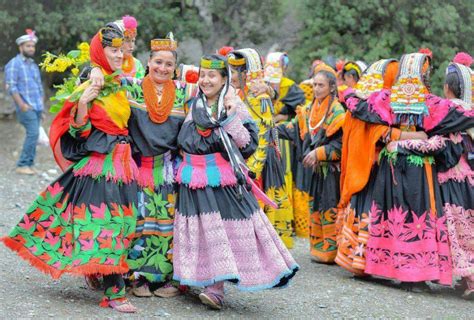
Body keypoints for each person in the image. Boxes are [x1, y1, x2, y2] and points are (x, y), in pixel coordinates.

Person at [2, 25, 139, 313]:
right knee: (107, 224)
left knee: (122, 224)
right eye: (111, 50)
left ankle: (95, 271)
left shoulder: (122, 84)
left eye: (120, 49)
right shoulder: (89, 86)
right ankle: (115, 291)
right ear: (100, 52)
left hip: (124, 164)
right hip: (99, 166)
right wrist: (84, 102)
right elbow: (78, 132)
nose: (118, 54)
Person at [173, 54, 298, 310]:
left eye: (212, 76)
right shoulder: (192, 104)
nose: (206, 81)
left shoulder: (234, 105)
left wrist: (230, 117)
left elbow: (248, 144)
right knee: (200, 230)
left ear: (223, 80)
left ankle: (216, 288)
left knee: (224, 230)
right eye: (203, 75)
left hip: (222, 179)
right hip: (192, 177)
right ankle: (196, 278)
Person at [342, 52, 473, 289]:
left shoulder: (385, 99)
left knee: (394, 216)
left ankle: (397, 270)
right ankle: (417, 276)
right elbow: (465, 116)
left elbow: (356, 105)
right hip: (420, 170)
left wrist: (351, 93)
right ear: (422, 74)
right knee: (418, 217)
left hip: (390, 166)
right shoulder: (432, 103)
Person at [124, 33, 197, 298]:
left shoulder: (184, 91)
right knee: (140, 222)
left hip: (168, 169)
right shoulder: (130, 86)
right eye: (158, 62)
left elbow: (217, 86)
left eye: (168, 64)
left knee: (166, 223)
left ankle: (165, 277)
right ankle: (137, 277)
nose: (162, 68)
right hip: (138, 166)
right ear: (149, 62)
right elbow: (103, 74)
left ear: (175, 68)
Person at [227, 48, 294, 248]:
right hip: (245, 157)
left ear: (246, 73)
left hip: (259, 159)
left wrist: (253, 166)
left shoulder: (260, 97)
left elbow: (263, 133)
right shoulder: (242, 93)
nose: (231, 76)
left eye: (234, 71)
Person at [436, 52, 473, 299]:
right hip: (468, 176)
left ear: (449, 87)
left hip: (452, 177)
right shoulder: (469, 110)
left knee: (459, 227)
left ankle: (470, 278)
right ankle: (465, 277)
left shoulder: (450, 110)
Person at [299, 67, 345, 263]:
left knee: (330, 206)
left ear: (332, 87)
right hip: (318, 171)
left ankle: (331, 251)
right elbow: (296, 129)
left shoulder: (337, 112)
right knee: (316, 205)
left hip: (332, 171)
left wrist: (319, 153)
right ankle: (319, 249)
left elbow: (341, 146)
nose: (316, 89)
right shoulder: (311, 110)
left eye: (321, 85)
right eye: (314, 85)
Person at [264, 52, 306, 236]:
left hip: (283, 135)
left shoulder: (290, 87)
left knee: (285, 170)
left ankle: (286, 218)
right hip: (266, 132)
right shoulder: (261, 84)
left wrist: (279, 117)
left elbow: (298, 112)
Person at [5, 29, 44, 175]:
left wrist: (42, 108)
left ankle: (29, 164)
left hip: (37, 107)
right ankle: (22, 164)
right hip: (26, 107)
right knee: (33, 134)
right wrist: (22, 105)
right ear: (20, 47)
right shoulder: (14, 64)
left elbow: (39, 87)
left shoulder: (33, 65)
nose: (31, 49)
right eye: (28, 46)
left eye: (32, 46)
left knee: (34, 135)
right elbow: (11, 87)